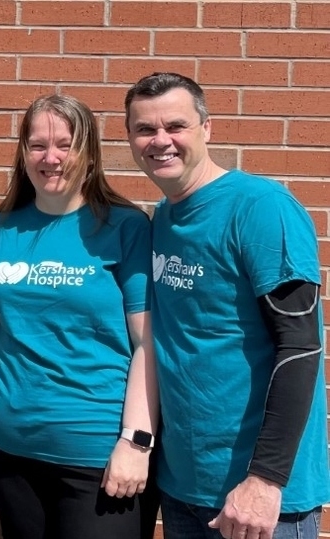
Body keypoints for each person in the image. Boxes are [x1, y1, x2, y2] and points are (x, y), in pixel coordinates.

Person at [125, 72, 330, 539]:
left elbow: (300, 347)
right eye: (145, 129)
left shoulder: (261, 207)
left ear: (206, 128)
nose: (161, 141)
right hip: (184, 488)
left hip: (259, 500)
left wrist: (265, 479)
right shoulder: (165, 218)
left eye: (175, 126)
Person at [0, 94, 159, 539]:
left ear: (89, 153)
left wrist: (136, 443)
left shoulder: (125, 227)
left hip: (96, 451)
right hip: (8, 448)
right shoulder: (1, 228)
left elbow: (148, 344)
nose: (51, 157)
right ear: (23, 154)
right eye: (38, 145)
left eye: (65, 144)